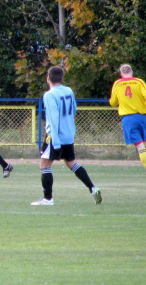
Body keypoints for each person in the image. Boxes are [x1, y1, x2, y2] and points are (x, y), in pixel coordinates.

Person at [32, 66, 102, 206]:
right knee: (71, 163)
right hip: (69, 134)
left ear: (48, 78)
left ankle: (48, 199)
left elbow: (52, 118)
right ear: (61, 78)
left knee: (44, 165)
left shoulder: (49, 95)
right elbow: (74, 109)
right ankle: (93, 188)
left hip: (55, 136)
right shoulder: (68, 90)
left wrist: (55, 142)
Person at [109, 64, 146, 182]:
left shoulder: (117, 84)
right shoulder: (139, 82)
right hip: (141, 117)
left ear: (121, 74)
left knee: (140, 147)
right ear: (132, 72)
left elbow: (113, 102)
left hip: (128, 119)